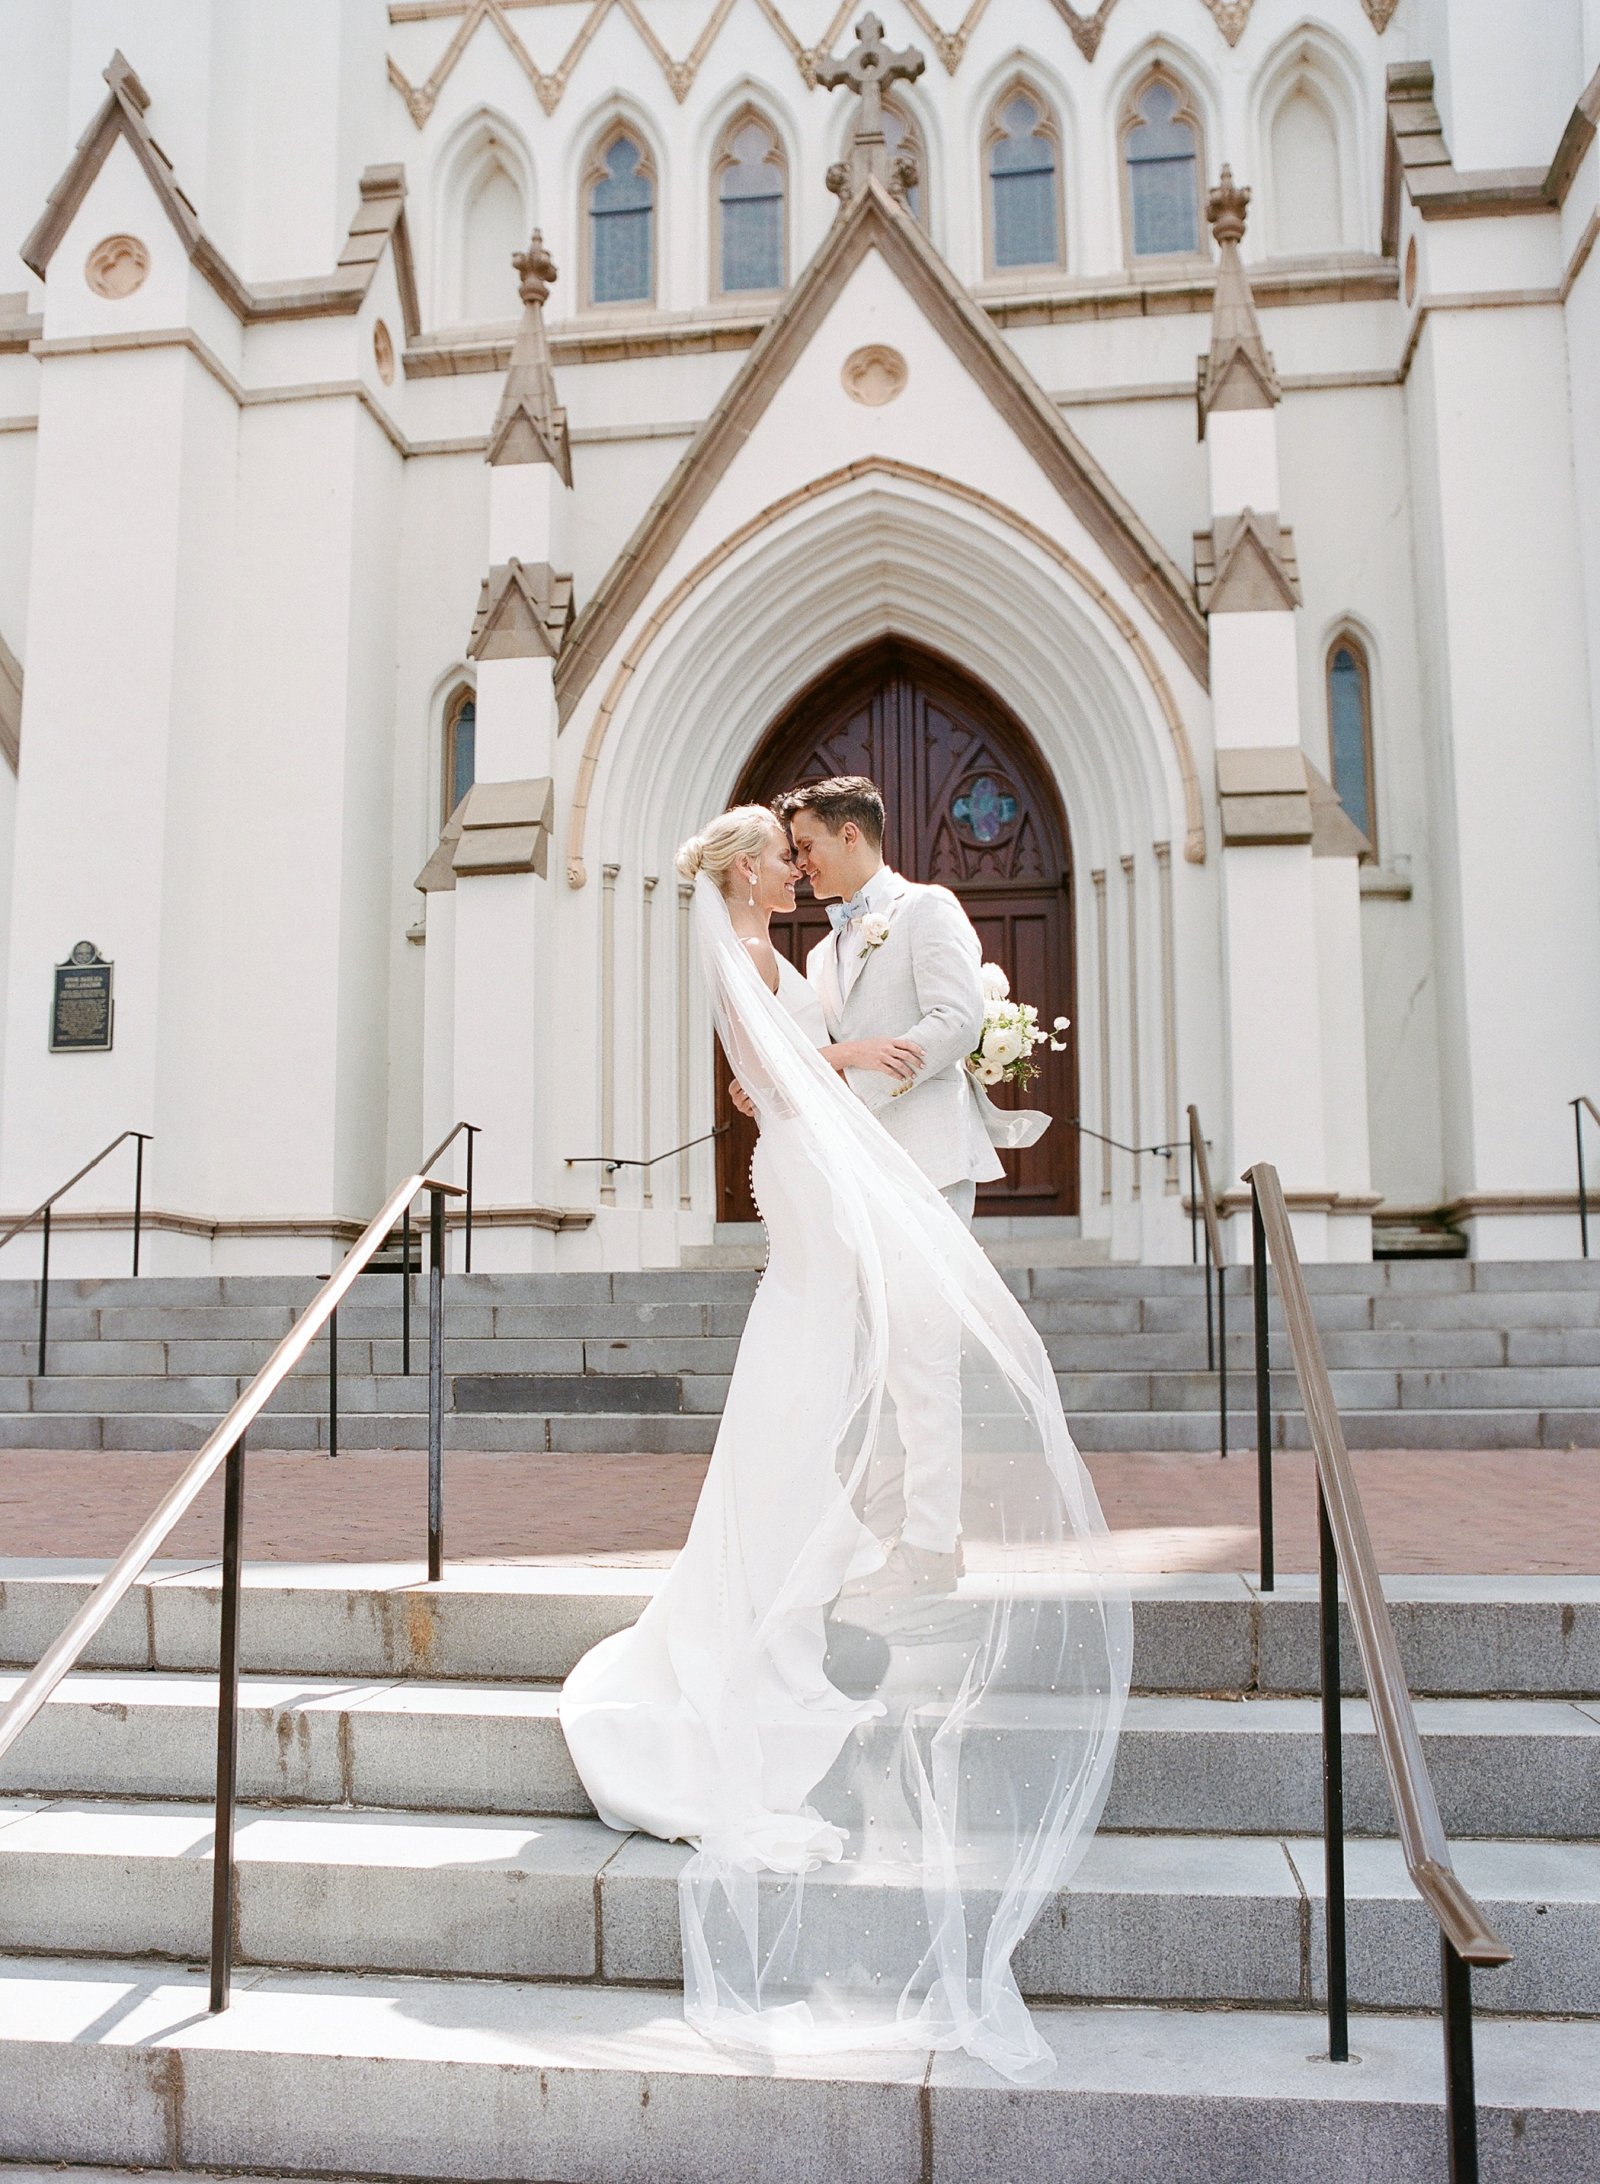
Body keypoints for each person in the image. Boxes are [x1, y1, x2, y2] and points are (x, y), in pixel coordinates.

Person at [558, 803, 1130, 2087]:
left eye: (802, 844)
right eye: (779, 852)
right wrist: (849, 1052)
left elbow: (878, 1043)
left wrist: (873, 1054)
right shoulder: (776, 958)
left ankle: (857, 1538)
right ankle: (830, 1548)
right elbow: (768, 1069)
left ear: (837, 839)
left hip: (854, 1160)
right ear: (748, 870)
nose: (793, 863)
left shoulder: (892, 919)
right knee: (833, 1363)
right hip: (821, 1163)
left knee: (846, 1369)